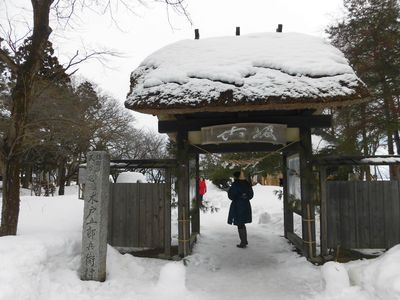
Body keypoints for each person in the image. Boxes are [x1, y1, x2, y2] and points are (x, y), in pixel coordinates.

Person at [227, 170, 253, 248]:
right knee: (242, 223)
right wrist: (245, 196)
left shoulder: (235, 184)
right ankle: (244, 240)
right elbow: (251, 195)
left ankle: (243, 242)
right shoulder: (247, 184)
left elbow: (231, 196)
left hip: (237, 205)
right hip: (246, 205)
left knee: (240, 223)